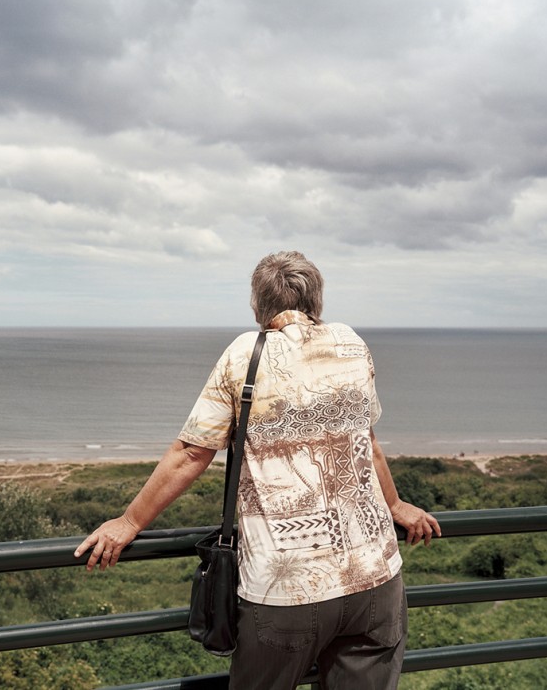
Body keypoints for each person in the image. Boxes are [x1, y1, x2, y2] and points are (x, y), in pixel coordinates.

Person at [74, 251, 441, 689]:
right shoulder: (351, 344)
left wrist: (129, 522)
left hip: (285, 590)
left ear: (257, 305)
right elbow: (368, 440)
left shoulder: (245, 354)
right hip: (376, 578)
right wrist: (395, 505)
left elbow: (191, 454)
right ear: (317, 300)